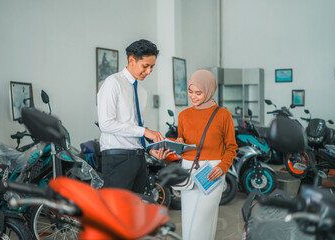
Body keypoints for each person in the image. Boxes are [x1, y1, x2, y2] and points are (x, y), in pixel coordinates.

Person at [97, 39, 171, 193]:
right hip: (117, 159)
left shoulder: (141, 92)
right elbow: (106, 123)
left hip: (138, 158)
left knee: (135, 210)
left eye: (152, 67)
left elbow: (133, 127)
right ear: (131, 59)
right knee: (116, 212)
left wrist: (149, 149)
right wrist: (145, 131)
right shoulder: (113, 83)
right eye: (146, 66)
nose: (149, 71)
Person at [175, 69, 238, 240]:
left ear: (209, 90)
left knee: (200, 222)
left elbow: (232, 147)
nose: (193, 97)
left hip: (212, 172)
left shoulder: (223, 115)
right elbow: (184, 144)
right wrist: (179, 143)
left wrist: (222, 167)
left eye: (198, 93)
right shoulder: (183, 115)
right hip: (188, 170)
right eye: (190, 91)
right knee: (188, 221)